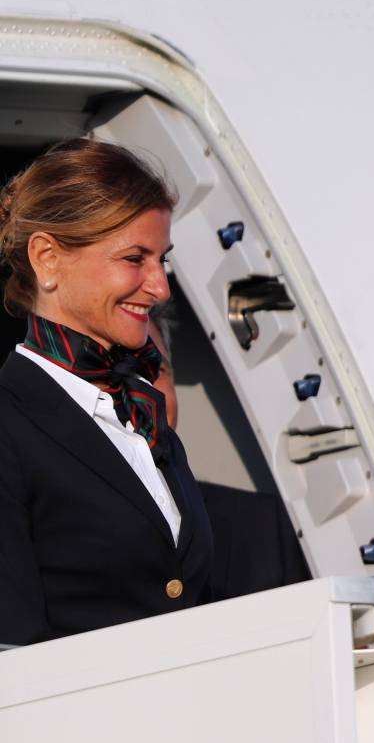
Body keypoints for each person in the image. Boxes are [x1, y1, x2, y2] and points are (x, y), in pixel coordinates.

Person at [0, 138, 214, 646]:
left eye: (162, 259)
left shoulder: (144, 414)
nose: (160, 287)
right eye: (134, 258)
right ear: (47, 259)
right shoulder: (8, 424)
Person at [147, 301, 311, 601]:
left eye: (155, 370)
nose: (142, 391)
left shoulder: (264, 529)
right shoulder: (48, 533)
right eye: (118, 372)